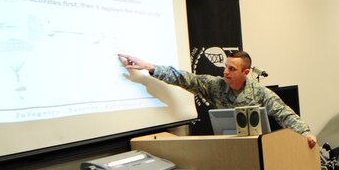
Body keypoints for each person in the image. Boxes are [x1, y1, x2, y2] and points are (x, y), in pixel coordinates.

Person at [118, 50, 318, 148]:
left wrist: (306, 134)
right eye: (226, 67)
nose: (226, 72)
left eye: (232, 69)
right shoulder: (215, 85)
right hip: (227, 149)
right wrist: (149, 67)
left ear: (246, 72)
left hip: (256, 150)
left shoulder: (260, 93)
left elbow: (284, 114)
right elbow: (184, 78)